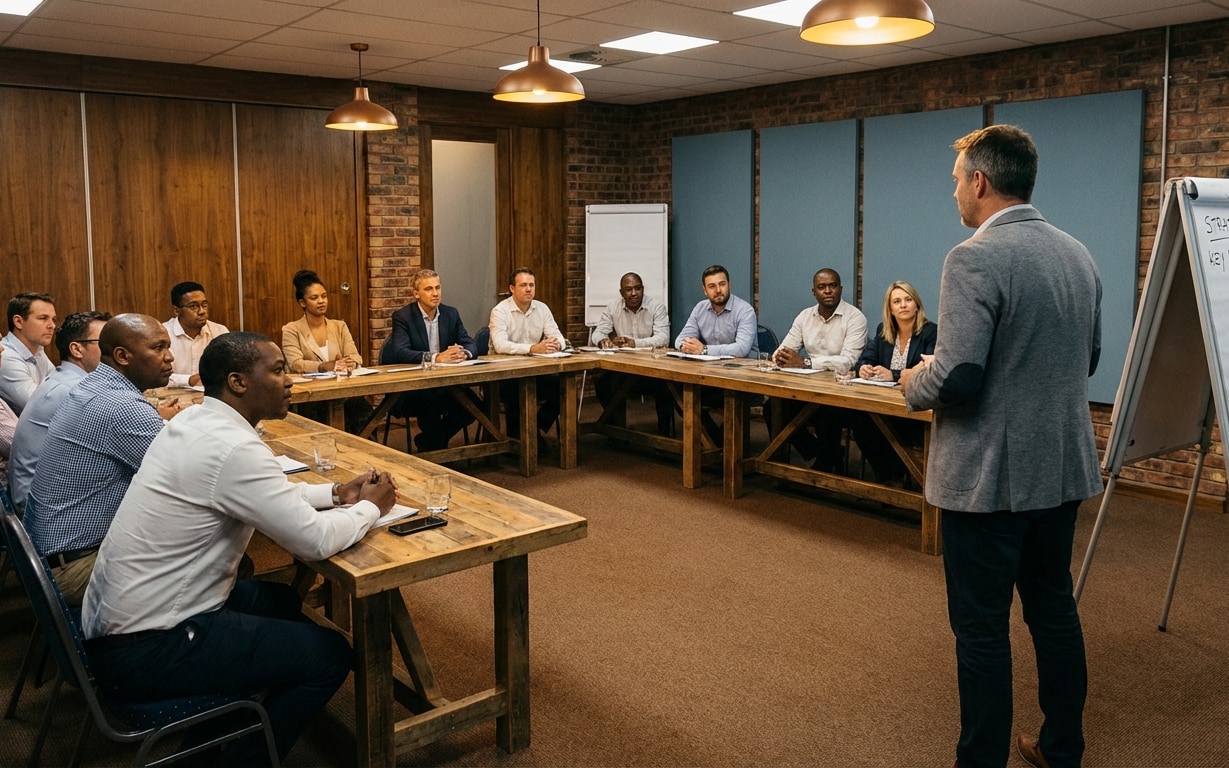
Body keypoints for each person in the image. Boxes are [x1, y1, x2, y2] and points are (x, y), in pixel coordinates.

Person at [82, 332, 397, 764]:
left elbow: (259, 495)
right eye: (278, 370)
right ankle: (241, 758)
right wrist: (368, 510)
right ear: (238, 382)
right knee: (330, 655)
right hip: (148, 649)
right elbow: (315, 540)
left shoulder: (195, 422)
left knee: (281, 599)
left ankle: (241, 714)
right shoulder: (234, 446)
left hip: (118, 624)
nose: (289, 381)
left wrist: (339, 493)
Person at [900, 124, 1102, 768]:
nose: (954, 189)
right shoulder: (1078, 253)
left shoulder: (973, 256)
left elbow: (958, 374)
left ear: (981, 182)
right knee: (1053, 611)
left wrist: (912, 381)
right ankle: (1061, 747)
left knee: (981, 631)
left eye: (958, 178)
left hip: (988, 482)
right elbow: (1087, 358)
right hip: (1062, 471)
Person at [24, 313, 176, 604]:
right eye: (158, 348)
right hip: (73, 568)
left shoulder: (91, 386)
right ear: (122, 356)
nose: (169, 358)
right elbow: (187, 477)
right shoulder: (121, 405)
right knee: (211, 556)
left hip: (46, 557)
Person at [8, 310, 111, 512]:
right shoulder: (78, 391)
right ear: (77, 349)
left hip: (36, 495)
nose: (117, 349)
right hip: (42, 510)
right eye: (105, 343)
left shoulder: (67, 378)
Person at [772, 268, 868, 472]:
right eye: (822, 287)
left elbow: (848, 362)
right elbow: (783, 350)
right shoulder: (804, 316)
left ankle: (826, 460)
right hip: (807, 388)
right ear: (813, 292)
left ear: (841, 289)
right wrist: (781, 357)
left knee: (826, 412)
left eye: (833, 286)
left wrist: (806, 363)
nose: (828, 291)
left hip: (841, 392)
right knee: (772, 408)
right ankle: (821, 452)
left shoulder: (855, 318)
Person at [381, 269, 479, 451]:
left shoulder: (451, 314)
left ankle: (431, 442)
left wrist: (463, 353)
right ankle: (435, 450)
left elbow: (470, 343)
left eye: (438, 287)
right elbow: (400, 352)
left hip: (445, 384)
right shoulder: (403, 317)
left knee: (475, 405)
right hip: (413, 386)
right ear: (416, 293)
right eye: (428, 289)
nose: (435, 293)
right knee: (429, 404)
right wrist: (436, 357)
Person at [850, 281, 936, 485]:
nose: (903, 305)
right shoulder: (884, 330)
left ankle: (896, 476)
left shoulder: (930, 332)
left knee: (884, 426)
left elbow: (929, 369)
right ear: (890, 308)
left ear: (917, 304)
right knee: (860, 420)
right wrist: (864, 367)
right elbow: (866, 358)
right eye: (897, 301)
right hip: (885, 402)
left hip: (914, 406)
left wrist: (894, 375)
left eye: (908, 300)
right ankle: (891, 476)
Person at [281, 269, 371, 433]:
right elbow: (295, 364)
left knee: (360, 408)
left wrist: (349, 363)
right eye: (314, 298)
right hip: (312, 395)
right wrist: (323, 366)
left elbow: (356, 357)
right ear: (302, 303)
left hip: (342, 390)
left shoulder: (339, 326)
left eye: (324, 296)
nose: (321, 301)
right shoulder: (291, 329)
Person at [488, 267, 568, 441]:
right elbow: (500, 345)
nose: (528, 289)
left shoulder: (542, 309)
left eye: (531, 285)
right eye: (523, 285)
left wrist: (555, 344)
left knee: (563, 389)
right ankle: (519, 438)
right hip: (502, 375)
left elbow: (559, 338)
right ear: (512, 288)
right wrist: (532, 348)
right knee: (517, 391)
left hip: (533, 372)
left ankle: (534, 428)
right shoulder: (500, 311)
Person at [590, 272, 674, 436]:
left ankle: (664, 436)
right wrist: (603, 341)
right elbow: (597, 333)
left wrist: (635, 343)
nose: (634, 293)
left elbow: (663, 339)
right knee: (603, 385)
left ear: (643, 289)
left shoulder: (657, 307)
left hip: (653, 371)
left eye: (638, 288)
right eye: (628, 290)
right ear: (621, 293)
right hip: (624, 370)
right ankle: (616, 430)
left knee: (667, 389)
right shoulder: (613, 307)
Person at [674, 264, 757, 359]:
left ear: (729, 286)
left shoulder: (745, 310)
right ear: (705, 290)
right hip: (709, 366)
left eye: (722, 284)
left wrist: (704, 350)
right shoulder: (700, 308)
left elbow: (741, 349)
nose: (718, 290)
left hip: (742, 368)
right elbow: (680, 339)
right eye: (712, 286)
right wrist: (687, 347)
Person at [0, 292, 57, 414]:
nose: (52, 325)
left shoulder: (38, 349)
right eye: (43, 318)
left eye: (53, 319)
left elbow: (58, 386)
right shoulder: (5, 355)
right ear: (18, 322)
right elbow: (41, 406)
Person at [164, 281, 229, 388]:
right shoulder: (163, 334)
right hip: (173, 398)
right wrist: (189, 380)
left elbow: (229, 369)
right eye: (193, 307)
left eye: (204, 305)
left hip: (211, 397)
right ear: (176, 311)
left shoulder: (219, 331)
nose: (202, 311)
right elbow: (157, 376)